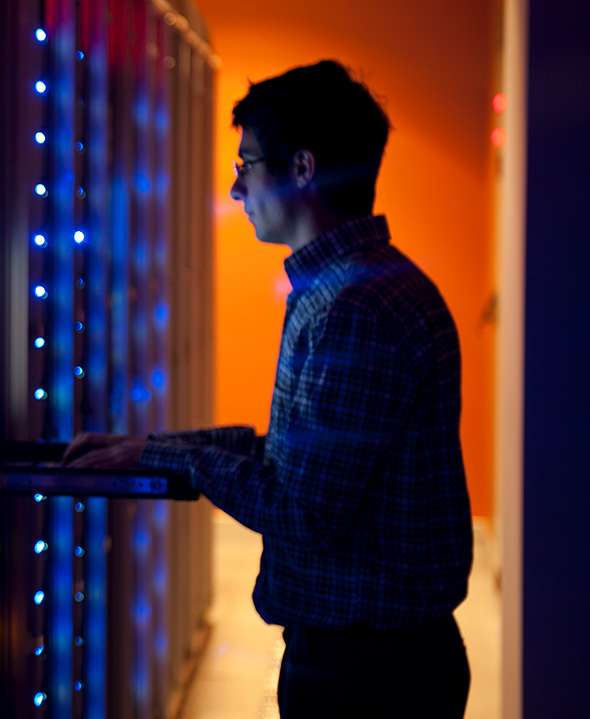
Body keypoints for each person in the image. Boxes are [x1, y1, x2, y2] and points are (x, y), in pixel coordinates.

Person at [62, 60, 473, 718]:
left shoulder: (355, 307)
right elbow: (296, 460)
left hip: (368, 674)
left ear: (302, 169)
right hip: (373, 657)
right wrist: (150, 446)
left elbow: (304, 511)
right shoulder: (352, 285)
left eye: (246, 164)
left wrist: (171, 459)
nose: (233, 189)